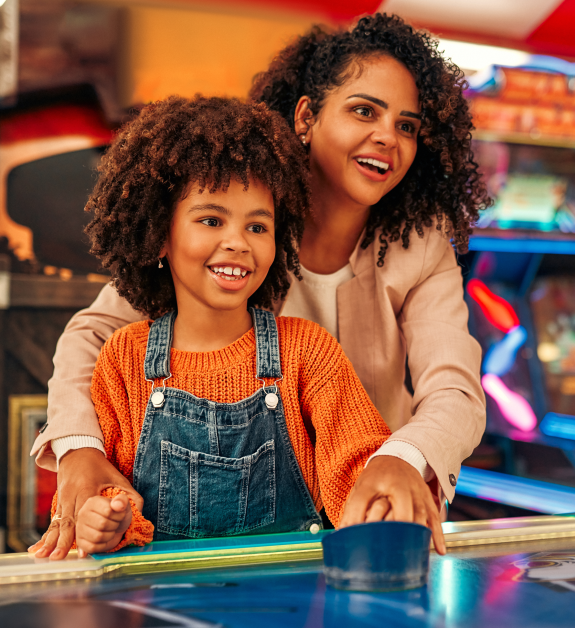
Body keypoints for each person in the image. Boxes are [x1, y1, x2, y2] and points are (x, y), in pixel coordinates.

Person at [31, 13, 490, 559]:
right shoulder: (231, 227)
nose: (387, 137)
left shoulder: (420, 244)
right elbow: (92, 335)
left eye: (407, 125)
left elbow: (455, 391)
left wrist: (403, 459)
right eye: (364, 111)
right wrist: (80, 452)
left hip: (367, 511)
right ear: (306, 117)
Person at [57, 96, 393, 553]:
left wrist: (382, 495)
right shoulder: (123, 358)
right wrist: (107, 520)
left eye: (258, 227)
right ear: (159, 235)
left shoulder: (309, 351)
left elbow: (357, 465)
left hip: (289, 604)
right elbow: (112, 493)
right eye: (211, 220)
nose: (237, 242)